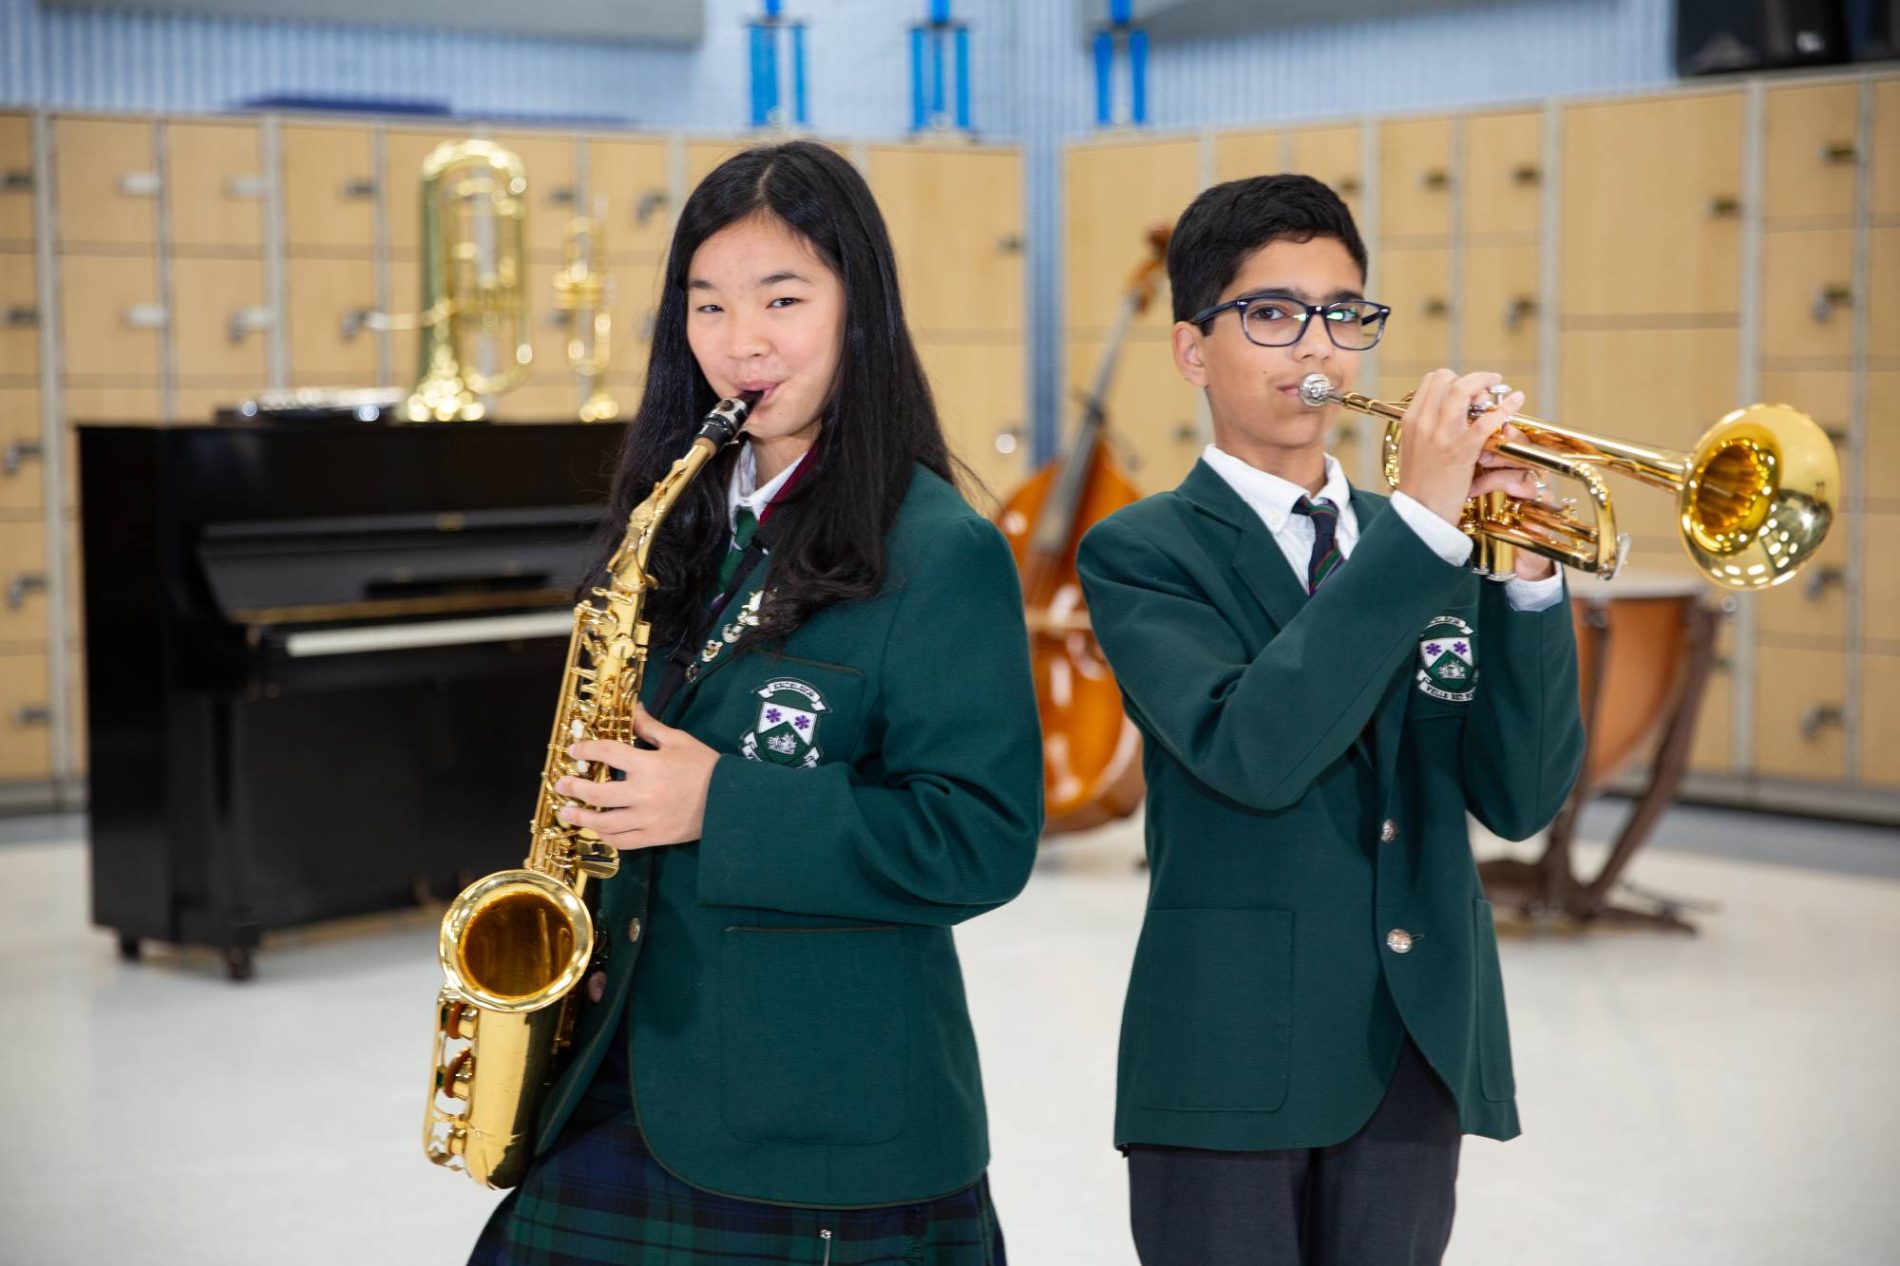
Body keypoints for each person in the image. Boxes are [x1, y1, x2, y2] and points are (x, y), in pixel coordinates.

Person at [468, 140, 1042, 1266]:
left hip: (815, 1128)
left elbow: (979, 841)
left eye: (784, 299)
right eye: (710, 304)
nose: (743, 342)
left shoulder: (941, 552)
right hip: (619, 1073)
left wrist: (717, 804)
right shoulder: (673, 520)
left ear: (858, 311)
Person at [1075, 173, 1586, 1266]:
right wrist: (1424, 529)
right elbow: (1251, 750)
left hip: (1412, 1047)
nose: (1316, 347)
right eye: (1270, 314)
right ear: (1192, 351)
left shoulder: (1424, 546)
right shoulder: (1141, 551)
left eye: (1342, 313)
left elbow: (1522, 798)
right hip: (1226, 1059)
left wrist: (1529, 577)